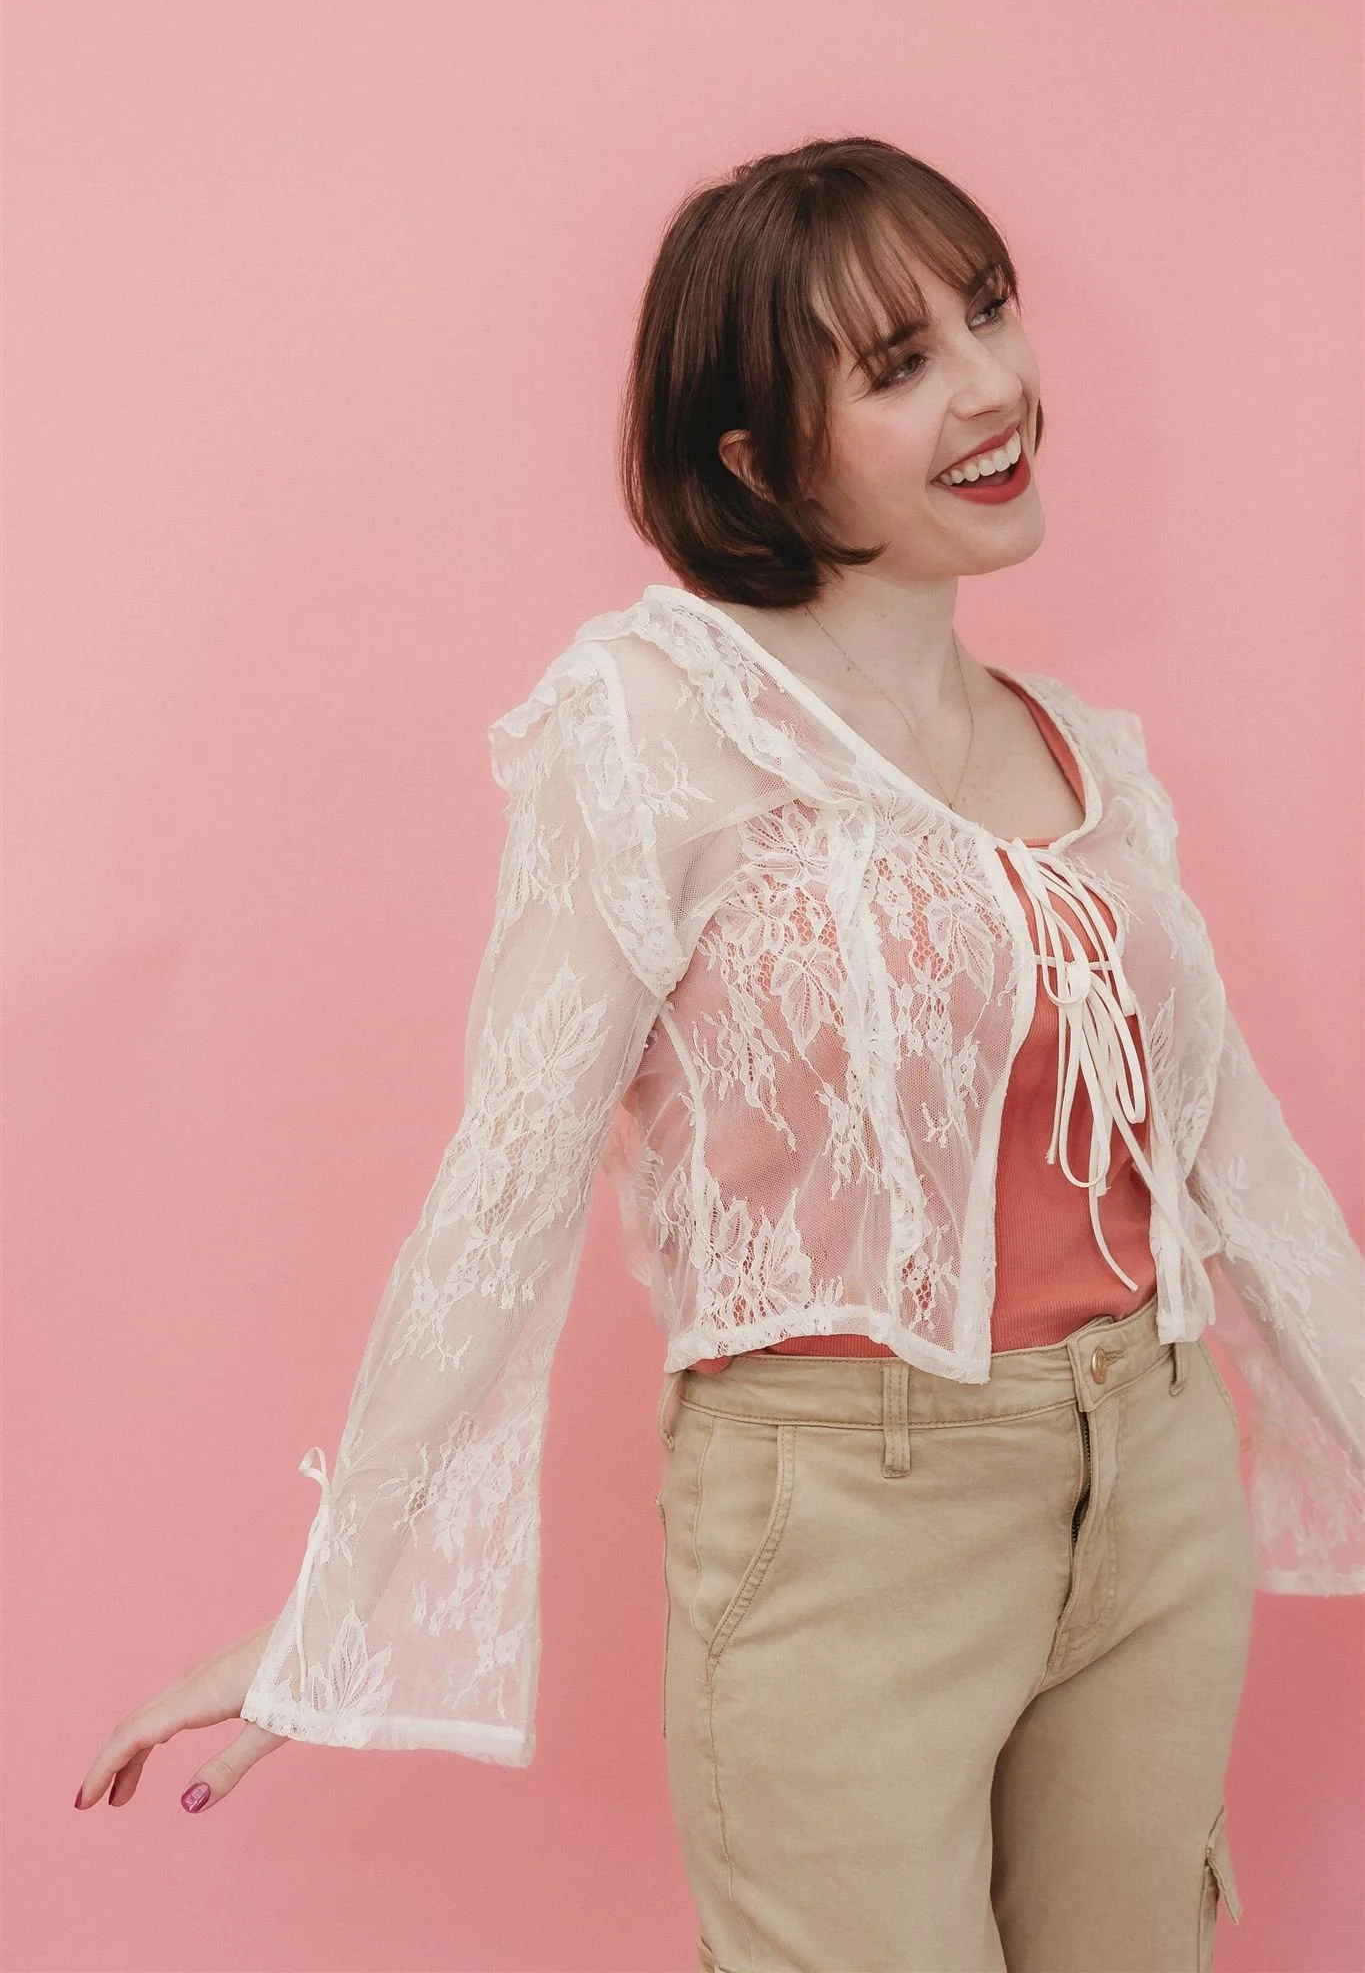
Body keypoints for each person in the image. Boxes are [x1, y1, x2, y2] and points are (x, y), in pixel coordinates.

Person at [76, 137, 1363, 1973]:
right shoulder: (653, 719)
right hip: (843, 1526)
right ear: (759, 461)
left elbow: (1242, 1169)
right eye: (898, 364)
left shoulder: (1090, 753)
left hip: (1151, 1482)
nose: (990, 385)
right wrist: (337, 1601)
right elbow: (507, 1177)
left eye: (987, 312)